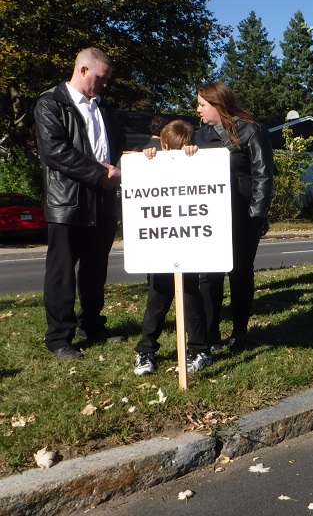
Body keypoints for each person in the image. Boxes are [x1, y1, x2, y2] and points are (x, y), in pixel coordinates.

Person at [33, 48, 125, 360]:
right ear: (83, 70)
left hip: (103, 201)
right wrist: (101, 174)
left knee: (95, 269)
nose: (105, 84)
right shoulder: (51, 104)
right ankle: (59, 338)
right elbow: (54, 152)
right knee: (61, 272)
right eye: (101, 78)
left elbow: (119, 145)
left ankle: (93, 326)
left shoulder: (106, 108)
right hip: (68, 202)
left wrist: (117, 169)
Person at [195, 82, 273, 353]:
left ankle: (239, 331)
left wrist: (256, 214)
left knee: (240, 273)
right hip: (210, 217)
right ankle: (209, 331)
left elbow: (263, 175)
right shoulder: (200, 136)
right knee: (209, 275)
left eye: (203, 105)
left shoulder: (251, 129)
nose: (199, 110)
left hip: (243, 216)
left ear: (218, 104)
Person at [133, 120, 212, 375]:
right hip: (161, 246)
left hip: (186, 245)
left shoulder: (198, 160)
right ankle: (145, 350)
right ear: (163, 145)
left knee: (189, 295)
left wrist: (194, 158)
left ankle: (200, 350)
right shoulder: (153, 158)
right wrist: (149, 158)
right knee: (158, 296)